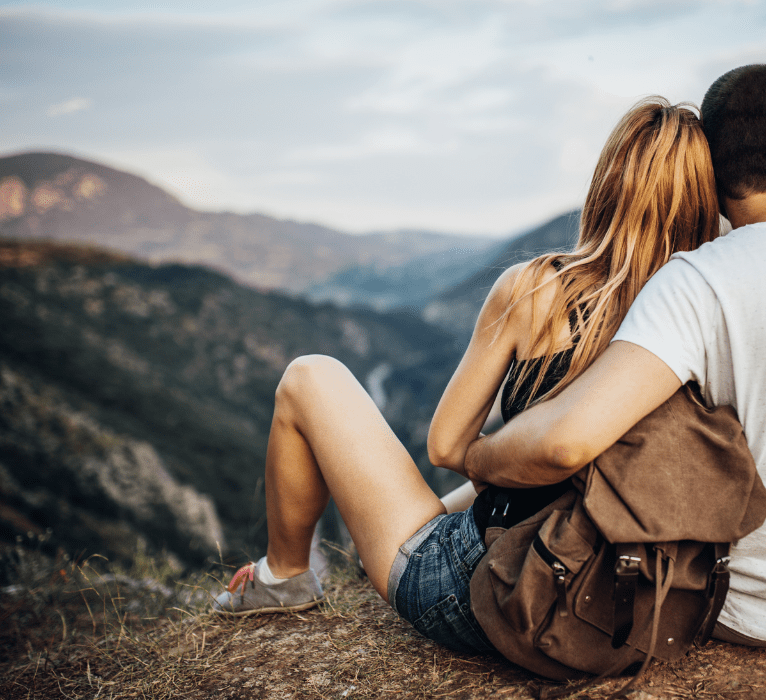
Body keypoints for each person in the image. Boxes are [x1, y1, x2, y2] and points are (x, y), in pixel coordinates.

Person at [212, 96, 721, 655]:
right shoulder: (706, 313)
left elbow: (447, 444)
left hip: (493, 591)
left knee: (309, 376)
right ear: (703, 203)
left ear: (606, 186)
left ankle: (284, 575)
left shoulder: (536, 289)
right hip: (624, 592)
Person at [462, 64, 766, 647]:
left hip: (752, 615)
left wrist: (479, 458)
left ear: (709, 173)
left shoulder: (701, 279)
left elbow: (569, 441)